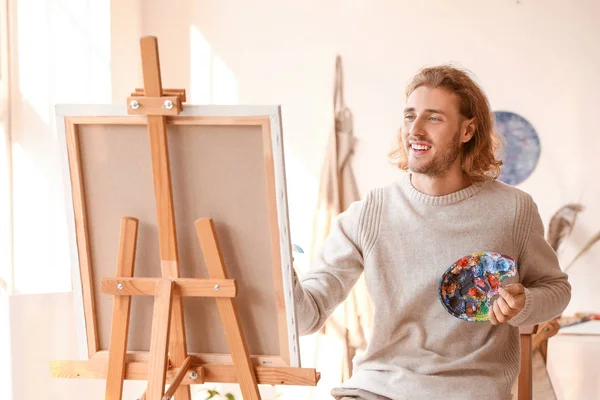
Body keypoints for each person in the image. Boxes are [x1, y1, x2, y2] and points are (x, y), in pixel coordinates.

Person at [292, 65, 571, 400]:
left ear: (467, 130)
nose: (416, 130)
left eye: (434, 118)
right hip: (376, 389)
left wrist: (526, 303)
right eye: (410, 116)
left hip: (469, 391)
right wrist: (275, 262)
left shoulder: (513, 210)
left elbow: (556, 290)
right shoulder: (370, 212)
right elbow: (305, 318)